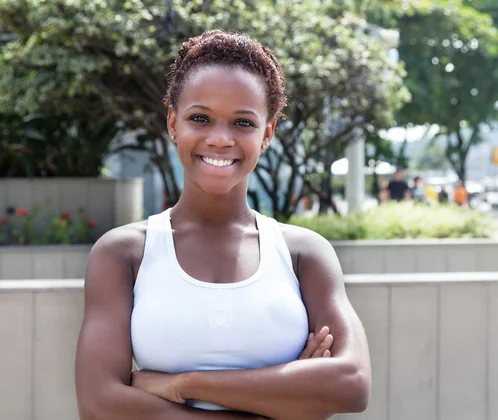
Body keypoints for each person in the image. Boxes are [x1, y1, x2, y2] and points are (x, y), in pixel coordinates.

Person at [75, 30, 371, 420]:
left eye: (242, 123)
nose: (219, 139)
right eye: (200, 118)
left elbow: (351, 384)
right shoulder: (125, 253)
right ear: (173, 124)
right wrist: (289, 397)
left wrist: (184, 384)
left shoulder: (303, 253)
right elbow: (99, 405)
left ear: (267, 133)